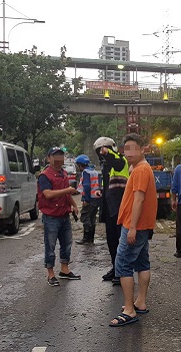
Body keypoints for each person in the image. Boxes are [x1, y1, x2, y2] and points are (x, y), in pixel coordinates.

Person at [110, 133, 157, 327]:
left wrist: (132, 228)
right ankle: (140, 301)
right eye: (126, 149)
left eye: (133, 148)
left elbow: (139, 199)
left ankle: (129, 310)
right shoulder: (142, 168)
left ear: (143, 148)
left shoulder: (140, 170)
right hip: (141, 226)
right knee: (142, 262)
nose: (128, 152)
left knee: (123, 265)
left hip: (134, 226)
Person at [38, 147, 81, 286]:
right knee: (50, 246)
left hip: (64, 214)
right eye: (55, 157)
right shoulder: (45, 175)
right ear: (49, 158)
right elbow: (48, 194)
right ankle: (50, 274)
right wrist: (67, 190)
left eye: (61, 157)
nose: (58, 160)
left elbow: (66, 194)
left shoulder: (63, 173)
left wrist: (74, 205)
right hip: (51, 217)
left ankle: (64, 269)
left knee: (67, 243)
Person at [94, 136, 129, 284]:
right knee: (111, 241)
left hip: (120, 207)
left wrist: (108, 153)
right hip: (109, 208)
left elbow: (119, 163)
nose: (101, 154)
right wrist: (101, 191)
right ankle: (115, 268)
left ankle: (122, 272)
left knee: (122, 241)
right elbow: (108, 185)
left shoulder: (120, 160)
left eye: (102, 151)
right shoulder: (106, 166)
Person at [74, 154, 101, 245]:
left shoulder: (86, 172)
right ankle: (91, 239)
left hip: (89, 198)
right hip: (95, 198)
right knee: (92, 218)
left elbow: (86, 186)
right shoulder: (94, 171)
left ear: (80, 165)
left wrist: (86, 199)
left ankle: (86, 238)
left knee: (85, 217)